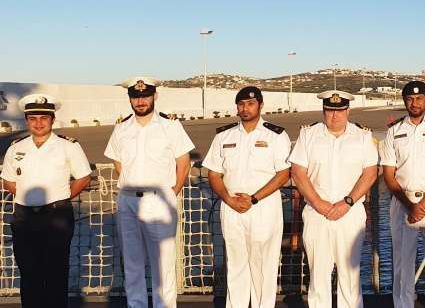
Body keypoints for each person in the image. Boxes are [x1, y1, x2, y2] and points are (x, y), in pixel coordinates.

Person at [104, 77, 195, 308]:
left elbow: (183, 163)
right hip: (128, 201)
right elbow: (118, 162)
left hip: (159, 201)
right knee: (132, 262)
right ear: (130, 99)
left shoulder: (170, 126)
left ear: (155, 96)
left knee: (163, 264)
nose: (141, 101)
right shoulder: (121, 128)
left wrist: (172, 191)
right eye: (136, 97)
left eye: (145, 96)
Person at [202, 86, 291, 308]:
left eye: (251, 104)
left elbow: (283, 174)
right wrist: (228, 199)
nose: (245, 108)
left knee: (264, 267)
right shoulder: (224, 135)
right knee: (236, 265)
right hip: (231, 206)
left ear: (260, 105)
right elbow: (213, 173)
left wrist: (253, 198)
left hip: (263, 207)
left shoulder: (276, 135)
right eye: (241, 104)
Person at [288, 90, 379, 308]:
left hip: (350, 215)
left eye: (339, 110)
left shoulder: (363, 136)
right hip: (317, 215)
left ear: (348, 110)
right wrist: (318, 203)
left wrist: (347, 202)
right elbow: (298, 172)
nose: (334, 115)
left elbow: (370, 174)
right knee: (318, 277)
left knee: (350, 277)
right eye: (329, 110)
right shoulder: (308, 135)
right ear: (323, 110)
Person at [1, 94, 92, 308]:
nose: (39, 123)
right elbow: (8, 181)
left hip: (56, 216)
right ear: (26, 120)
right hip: (24, 217)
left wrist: (61, 196)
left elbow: (84, 177)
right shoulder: (16, 148)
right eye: (33, 119)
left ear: (52, 119)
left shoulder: (68, 146)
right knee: (28, 272)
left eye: (44, 118)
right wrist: (29, 197)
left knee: (56, 272)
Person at [380, 80, 425, 308]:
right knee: (402, 262)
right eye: (410, 99)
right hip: (402, 202)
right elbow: (389, 174)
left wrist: (423, 204)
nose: (415, 103)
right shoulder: (394, 132)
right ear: (405, 101)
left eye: (419, 98)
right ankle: (403, 304)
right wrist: (410, 205)